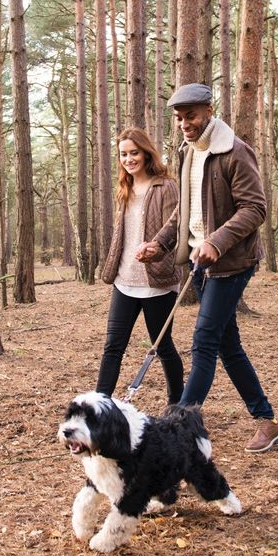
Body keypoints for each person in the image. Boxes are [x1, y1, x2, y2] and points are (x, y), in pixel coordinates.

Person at [137, 83, 278, 453]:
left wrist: (217, 241)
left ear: (208, 110)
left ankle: (179, 425)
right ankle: (267, 421)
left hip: (232, 262)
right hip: (199, 262)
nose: (185, 124)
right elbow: (183, 211)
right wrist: (160, 243)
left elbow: (255, 209)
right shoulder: (189, 153)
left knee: (204, 341)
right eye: (180, 118)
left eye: (191, 116)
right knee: (227, 345)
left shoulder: (235, 152)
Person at [95, 127, 185, 404]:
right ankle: (100, 405)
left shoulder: (165, 186)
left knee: (163, 347)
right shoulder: (125, 187)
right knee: (113, 347)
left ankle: (177, 405)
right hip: (124, 280)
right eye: (123, 154)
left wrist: (156, 249)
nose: (129, 159)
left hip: (156, 282)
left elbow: (176, 229)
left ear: (146, 154)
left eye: (134, 153)